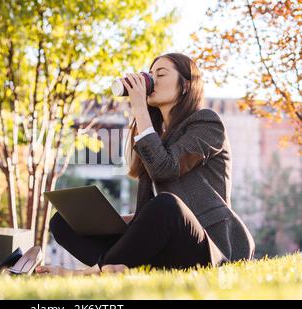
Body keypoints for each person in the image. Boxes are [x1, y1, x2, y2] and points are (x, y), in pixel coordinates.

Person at [35, 53, 255, 276]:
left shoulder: (206, 122)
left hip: (211, 247)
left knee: (167, 204)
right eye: (150, 74)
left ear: (186, 85)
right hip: (167, 247)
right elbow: (150, 214)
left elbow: (165, 170)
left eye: (161, 74)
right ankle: (115, 268)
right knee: (65, 221)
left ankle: (91, 273)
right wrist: (110, 221)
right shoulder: (155, 137)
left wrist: (139, 107)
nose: (151, 80)